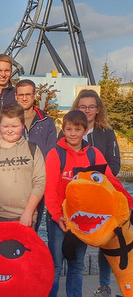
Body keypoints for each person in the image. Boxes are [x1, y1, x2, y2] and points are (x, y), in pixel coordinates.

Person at [44, 110, 133, 297]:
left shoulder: (93, 154)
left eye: (77, 129)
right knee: (55, 266)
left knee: (77, 266)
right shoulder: (55, 154)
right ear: (64, 130)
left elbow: (110, 182)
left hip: (83, 221)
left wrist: (129, 203)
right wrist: (58, 216)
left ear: (85, 130)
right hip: (58, 219)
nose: (73, 133)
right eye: (69, 129)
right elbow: (50, 190)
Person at [69, 90, 120, 297]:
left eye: (91, 107)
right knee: (77, 245)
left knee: (106, 241)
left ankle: (105, 285)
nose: (87, 111)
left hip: (102, 196)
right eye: (83, 106)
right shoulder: (69, 131)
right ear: (76, 108)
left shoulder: (106, 133)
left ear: (98, 109)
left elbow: (114, 165)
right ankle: (75, 289)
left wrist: (93, 178)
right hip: (78, 197)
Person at [0, 103, 45, 227]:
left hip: (25, 217)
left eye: (15, 126)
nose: (10, 130)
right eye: (6, 126)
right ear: (0, 125)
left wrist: (29, 212)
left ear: (22, 126)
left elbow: (40, 182)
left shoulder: (32, 149)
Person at [15, 79, 57, 232]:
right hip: (13, 183)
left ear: (35, 96)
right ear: (16, 97)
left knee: (31, 228)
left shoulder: (46, 123)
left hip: (36, 185)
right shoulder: (8, 121)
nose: (24, 98)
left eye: (28, 94)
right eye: (21, 95)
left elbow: (50, 155)